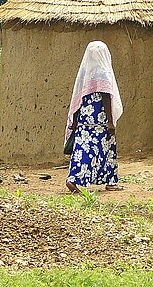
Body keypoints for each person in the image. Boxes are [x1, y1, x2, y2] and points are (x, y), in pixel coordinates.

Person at [65, 41, 124, 193]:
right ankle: (108, 181)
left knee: (82, 149)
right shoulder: (102, 72)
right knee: (107, 148)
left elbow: (79, 98)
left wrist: (75, 119)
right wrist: (110, 122)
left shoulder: (85, 73)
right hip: (100, 120)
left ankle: (75, 178)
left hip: (85, 119)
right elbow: (106, 98)